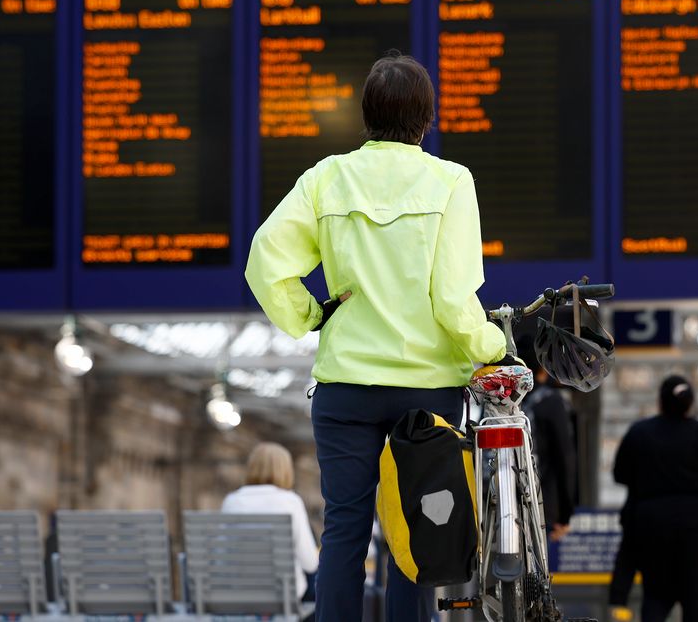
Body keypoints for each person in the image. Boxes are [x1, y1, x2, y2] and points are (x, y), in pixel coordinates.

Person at [245, 52, 511, 622]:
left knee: (344, 529)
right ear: (427, 118)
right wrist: (493, 348)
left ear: (366, 115)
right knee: (416, 530)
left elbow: (265, 262)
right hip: (427, 393)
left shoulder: (325, 178)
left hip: (346, 389)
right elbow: (452, 299)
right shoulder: (451, 182)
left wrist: (309, 316)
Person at [609, 375, 698, 622]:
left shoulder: (639, 432)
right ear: (691, 403)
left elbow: (619, 474)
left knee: (655, 597)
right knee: (696, 600)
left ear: (660, 402)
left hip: (653, 527)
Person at [221, 443, 319, 602]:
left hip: (239, 592)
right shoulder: (290, 501)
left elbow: (223, 557)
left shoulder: (231, 501)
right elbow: (310, 563)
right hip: (283, 594)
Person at [518, 334, 577, 541]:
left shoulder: (502, 399)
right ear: (543, 367)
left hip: (497, 501)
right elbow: (565, 458)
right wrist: (565, 514)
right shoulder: (550, 401)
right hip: (541, 503)